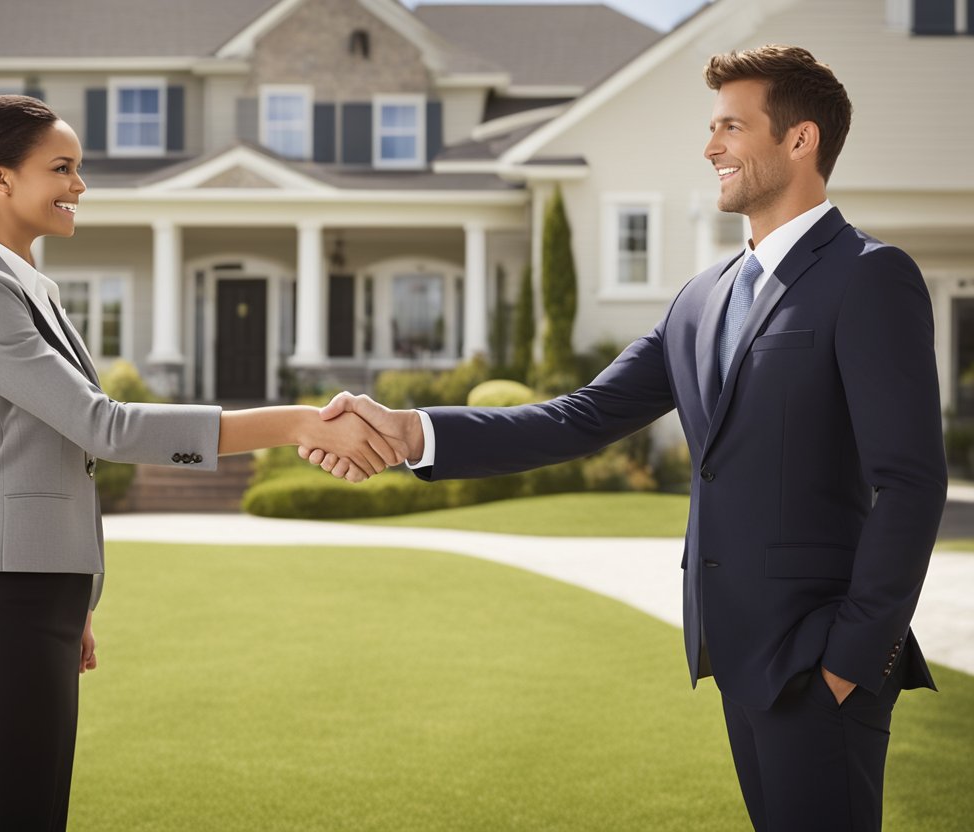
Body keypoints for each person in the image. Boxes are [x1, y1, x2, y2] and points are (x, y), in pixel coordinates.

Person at [301, 46, 946, 831]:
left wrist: (851, 661)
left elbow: (910, 484)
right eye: (711, 127)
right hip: (735, 656)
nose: (710, 147)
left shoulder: (870, 276)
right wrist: (413, 433)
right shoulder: (701, 299)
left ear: (801, 140)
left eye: (731, 127)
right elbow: (579, 417)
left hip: (820, 662)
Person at [0, 94, 402, 831]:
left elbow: (55, 452)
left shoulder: (34, 293)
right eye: (61, 169)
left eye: (80, 169)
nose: (79, 186)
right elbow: (104, 427)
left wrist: (76, 592)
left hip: (43, 593)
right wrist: (292, 423)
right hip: (2, 601)